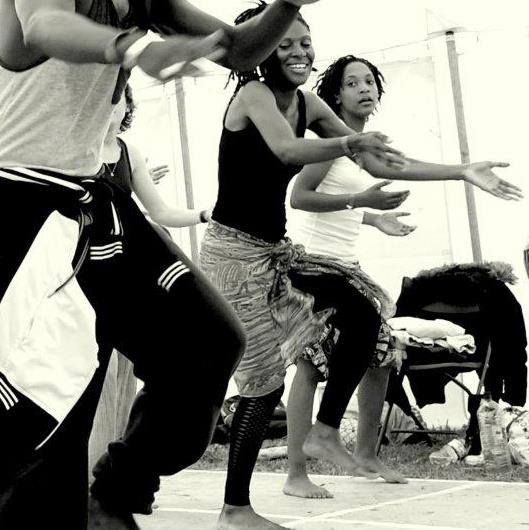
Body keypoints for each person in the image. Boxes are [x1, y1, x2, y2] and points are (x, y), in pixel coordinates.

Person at [199, 5, 523, 528]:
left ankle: (325, 432)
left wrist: (460, 171)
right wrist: (349, 141)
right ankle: (235, 508)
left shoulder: (305, 102)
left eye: (305, 41)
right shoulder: (253, 96)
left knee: (361, 314)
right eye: (284, 42)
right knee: (263, 385)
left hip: (274, 252)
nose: (299, 51)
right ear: (258, 47)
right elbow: (286, 152)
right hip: (232, 256)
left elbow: (377, 161)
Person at [0, 1, 321, 528]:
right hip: (20, 197)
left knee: (208, 341)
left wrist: (287, 5)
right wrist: (134, 45)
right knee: (46, 402)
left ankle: (114, 494)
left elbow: (239, 49)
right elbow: (43, 25)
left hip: (89, 196)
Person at [284, 53, 524, 497]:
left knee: (381, 353)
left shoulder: (363, 145)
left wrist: (460, 174)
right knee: (311, 366)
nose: (364, 88)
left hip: (346, 266)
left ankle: (366, 454)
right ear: (335, 94)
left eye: (370, 81)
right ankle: (297, 472)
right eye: (353, 82)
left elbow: (395, 169)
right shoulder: (327, 140)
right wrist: (363, 206)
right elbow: (300, 198)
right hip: (311, 265)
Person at [88, 85, 213, 476]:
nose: (111, 105)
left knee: (125, 380)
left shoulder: (129, 152)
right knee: (92, 377)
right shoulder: (77, 151)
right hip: (87, 277)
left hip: (128, 281)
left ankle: (112, 467)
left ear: (127, 104)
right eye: (104, 96)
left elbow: (158, 211)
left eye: (118, 96)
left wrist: (204, 215)